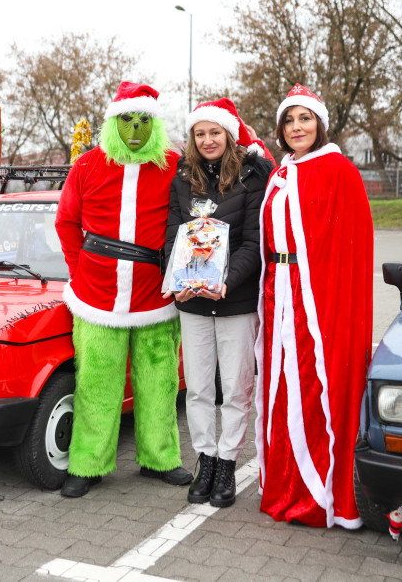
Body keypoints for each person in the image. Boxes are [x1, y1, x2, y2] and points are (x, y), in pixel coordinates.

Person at [55, 81, 192, 498]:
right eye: (127, 120)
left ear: (155, 122)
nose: (136, 128)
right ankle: (87, 464)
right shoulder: (88, 166)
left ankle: (160, 457)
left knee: (159, 382)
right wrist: (80, 273)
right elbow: (66, 222)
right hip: (96, 298)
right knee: (97, 382)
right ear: (113, 122)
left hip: (156, 297)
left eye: (144, 120)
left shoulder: (173, 164)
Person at [254, 83, 374, 528]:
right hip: (280, 295)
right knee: (283, 391)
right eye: (289, 120)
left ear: (319, 124)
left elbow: (352, 247)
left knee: (312, 387)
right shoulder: (280, 172)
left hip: (319, 302)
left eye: (305, 118)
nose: (296, 127)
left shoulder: (339, 170)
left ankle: (319, 494)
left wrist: (322, 298)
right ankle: (285, 485)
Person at [163, 98, 272, 508]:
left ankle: (227, 461)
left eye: (215, 132)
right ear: (192, 138)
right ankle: (204, 460)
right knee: (197, 387)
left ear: (228, 134)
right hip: (191, 301)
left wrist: (226, 281)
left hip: (235, 300)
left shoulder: (250, 177)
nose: (208, 140)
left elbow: (254, 242)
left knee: (237, 387)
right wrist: (177, 282)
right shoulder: (182, 179)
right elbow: (173, 237)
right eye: (200, 133)